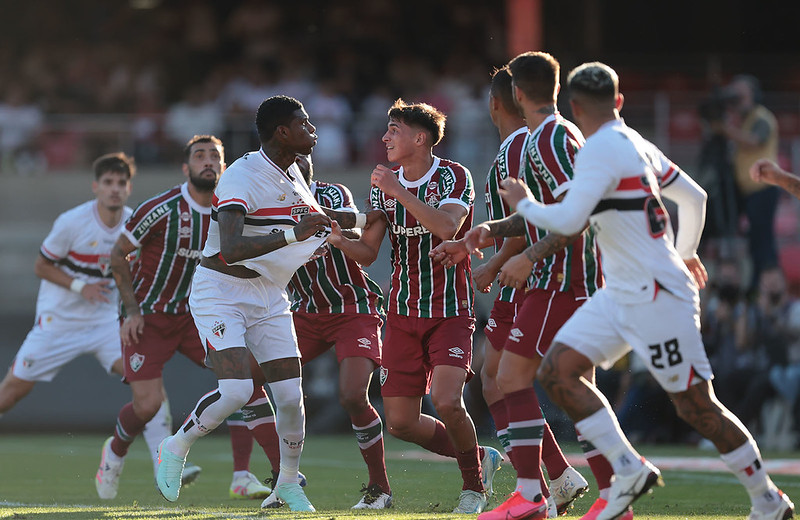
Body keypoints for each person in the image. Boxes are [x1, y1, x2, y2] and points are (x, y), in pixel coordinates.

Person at [498, 61, 794, 520]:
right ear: (618, 102)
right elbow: (695, 198)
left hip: (656, 295)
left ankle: (768, 499)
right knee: (559, 371)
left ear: (574, 107)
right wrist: (687, 250)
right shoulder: (636, 141)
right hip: (622, 292)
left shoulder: (597, 150)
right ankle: (627, 467)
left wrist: (525, 202)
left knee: (696, 405)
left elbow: (570, 221)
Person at [154, 96, 372, 512]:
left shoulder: (292, 171)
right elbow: (233, 248)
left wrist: (375, 216)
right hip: (221, 290)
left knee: (291, 397)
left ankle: (287, 483)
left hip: (270, 293)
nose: (314, 130)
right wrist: (293, 236)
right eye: (305, 123)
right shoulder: (241, 176)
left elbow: (319, 218)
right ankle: (176, 445)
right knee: (236, 391)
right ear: (282, 132)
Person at [432, 53, 619, 520]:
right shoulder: (537, 139)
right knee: (543, 381)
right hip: (547, 274)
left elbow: (574, 212)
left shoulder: (536, 142)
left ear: (508, 99)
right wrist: (490, 240)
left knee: (505, 379)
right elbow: (538, 216)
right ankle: (569, 484)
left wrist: (509, 260)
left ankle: (549, 489)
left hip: (554, 277)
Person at [327, 98, 502, 514]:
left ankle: (473, 488)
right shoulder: (383, 186)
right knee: (401, 422)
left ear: (420, 138)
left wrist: (397, 190)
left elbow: (446, 227)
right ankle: (481, 456)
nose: (385, 137)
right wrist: (337, 240)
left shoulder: (453, 176)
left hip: (450, 311)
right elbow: (368, 252)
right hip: (402, 314)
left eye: (394, 130)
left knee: (445, 400)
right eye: (386, 130)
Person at [95, 135, 281, 501]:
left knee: (243, 381)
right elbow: (118, 256)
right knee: (147, 406)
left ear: (224, 166)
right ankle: (115, 451)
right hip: (149, 318)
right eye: (200, 156)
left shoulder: (232, 209)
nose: (208, 161)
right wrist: (131, 309)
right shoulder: (161, 208)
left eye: (215, 156)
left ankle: (248, 476)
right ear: (186, 168)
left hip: (199, 315)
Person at [288, 154, 392, 509]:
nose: (298, 164)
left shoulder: (331, 194)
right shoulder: (264, 205)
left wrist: (319, 223)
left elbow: (359, 235)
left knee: (351, 394)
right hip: (305, 311)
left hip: (352, 308)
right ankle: (284, 478)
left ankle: (380, 488)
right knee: (248, 380)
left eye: (302, 160)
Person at [0, 154, 135, 421]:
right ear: (96, 186)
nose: (115, 189)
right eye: (108, 182)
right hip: (59, 321)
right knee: (10, 394)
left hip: (104, 321)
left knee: (145, 380)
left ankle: (167, 461)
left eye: (121, 182)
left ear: (129, 188)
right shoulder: (72, 221)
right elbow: (41, 266)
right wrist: (80, 286)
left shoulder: (134, 225)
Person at [720, 75, 780, 293]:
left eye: (741, 95)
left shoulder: (761, 117)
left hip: (762, 188)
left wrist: (726, 129)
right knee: (752, 240)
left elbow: (755, 141)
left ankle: (765, 290)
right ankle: (747, 285)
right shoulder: (741, 121)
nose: (737, 100)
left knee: (762, 242)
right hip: (746, 189)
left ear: (753, 95)